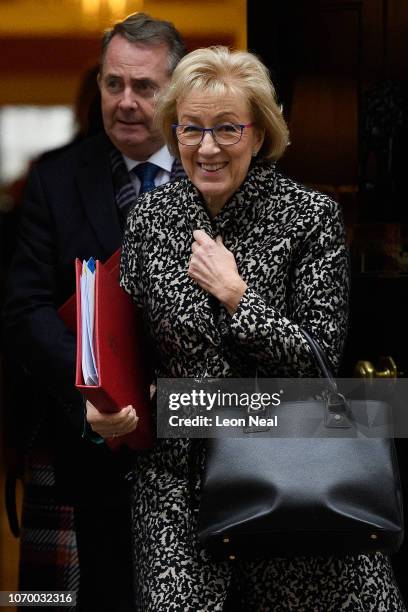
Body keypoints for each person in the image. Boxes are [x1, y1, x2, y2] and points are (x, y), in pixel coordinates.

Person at [88, 46, 406, 611]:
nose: (207, 148)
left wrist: (238, 297)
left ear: (259, 134)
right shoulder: (150, 220)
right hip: (175, 490)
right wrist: (108, 410)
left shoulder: (310, 218)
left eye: (227, 129)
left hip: (291, 473)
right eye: (191, 129)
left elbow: (318, 367)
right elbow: (128, 352)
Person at [2, 13, 186, 611]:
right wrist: (84, 395)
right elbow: (23, 308)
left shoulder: (215, 174)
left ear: (177, 88)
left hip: (197, 447)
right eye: (113, 84)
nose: (125, 102)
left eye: (144, 87)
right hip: (83, 447)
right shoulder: (56, 180)